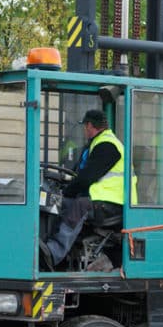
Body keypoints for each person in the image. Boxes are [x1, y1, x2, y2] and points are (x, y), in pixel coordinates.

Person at [39, 109, 132, 269]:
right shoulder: (96, 144)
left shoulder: (108, 146)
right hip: (102, 200)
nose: (84, 130)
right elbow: (79, 175)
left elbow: (86, 178)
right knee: (56, 203)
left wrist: (66, 191)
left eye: (85, 127)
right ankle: (46, 248)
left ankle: (53, 253)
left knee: (78, 205)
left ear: (89, 125)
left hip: (113, 204)